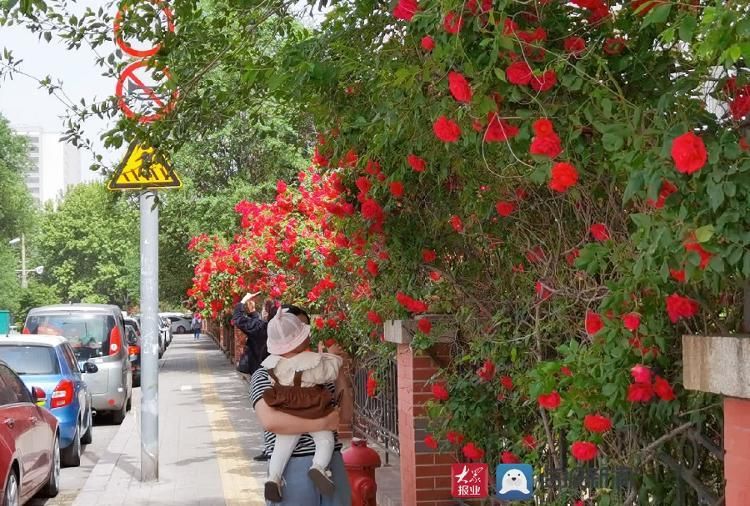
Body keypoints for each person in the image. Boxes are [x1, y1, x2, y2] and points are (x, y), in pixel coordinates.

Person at [250, 305, 352, 506]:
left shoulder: (318, 371)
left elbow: (346, 415)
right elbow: (271, 421)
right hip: (292, 468)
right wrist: (323, 423)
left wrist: (338, 371)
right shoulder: (264, 374)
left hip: (332, 465)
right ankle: (276, 479)